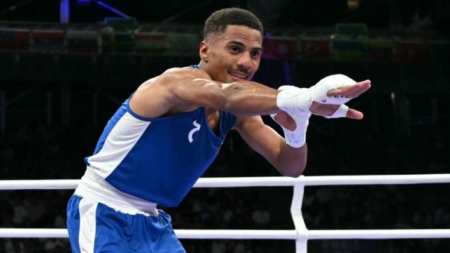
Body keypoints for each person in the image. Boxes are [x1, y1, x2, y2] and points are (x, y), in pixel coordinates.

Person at [66, 7, 371, 253]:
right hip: (103, 209)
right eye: (235, 48)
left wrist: (299, 123)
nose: (245, 62)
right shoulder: (173, 84)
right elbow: (227, 94)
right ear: (205, 50)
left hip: (152, 221)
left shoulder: (237, 114)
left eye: (254, 53)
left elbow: (290, 165)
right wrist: (302, 98)